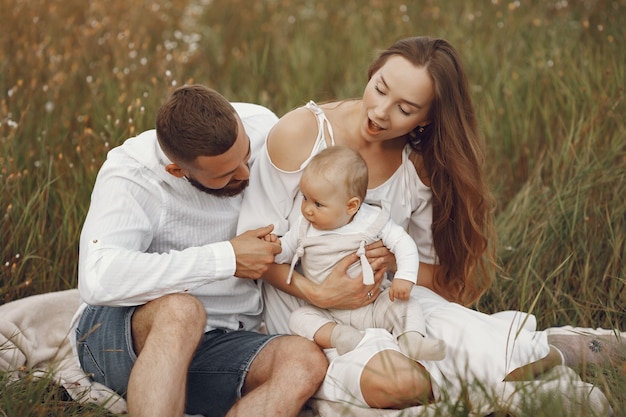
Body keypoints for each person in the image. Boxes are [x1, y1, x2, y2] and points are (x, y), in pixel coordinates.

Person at [237, 36, 624, 409]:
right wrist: (318, 294)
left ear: (427, 118)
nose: (380, 111)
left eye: (405, 109)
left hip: (389, 303)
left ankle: (553, 351)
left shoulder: (415, 166)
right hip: (307, 316)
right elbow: (251, 250)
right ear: (372, 72)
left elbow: (440, 280)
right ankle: (513, 387)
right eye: (380, 87)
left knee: (463, 341)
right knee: (398, 383)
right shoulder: (302, 133)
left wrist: (394, 265)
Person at [69, 84, 328, 417]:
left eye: (246, 155)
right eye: (226, 173)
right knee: (182, 311)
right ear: (178, 171)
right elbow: (98, 279)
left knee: (305, 361)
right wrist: (226, 259)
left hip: (222, 340)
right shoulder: (133, 175)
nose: (245, 173)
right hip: (119, 338)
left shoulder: (262, 124)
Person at [268, 145, 445, 361]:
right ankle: (341, 337)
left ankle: (412, 341)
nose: (307, 209)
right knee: (299, 318)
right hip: (328, 312)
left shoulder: (371, 221)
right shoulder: (304, 227)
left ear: (351, 206)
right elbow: (285, 251)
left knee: (406, 306)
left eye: (318, 204)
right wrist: (273, 248)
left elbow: (404, 244)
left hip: (374, 303)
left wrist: (404, 277)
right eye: (305, 198)